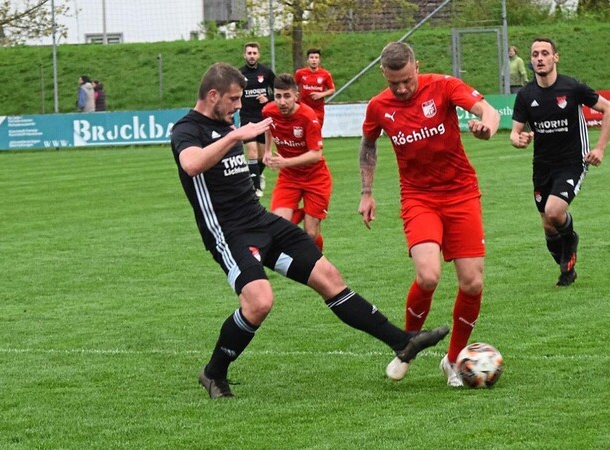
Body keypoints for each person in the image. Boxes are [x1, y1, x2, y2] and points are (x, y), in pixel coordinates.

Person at [170, 62, 448, 399]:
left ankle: (402, 342)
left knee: (329, 276)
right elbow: (191, 164)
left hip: (261, 220)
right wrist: (236, 135)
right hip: (228, 233)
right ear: (212, 96)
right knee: (259, 302)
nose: (238, 106)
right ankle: (214, 372)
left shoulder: (229, 120)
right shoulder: (187, 129)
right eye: (233, 99)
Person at [358, 42, 500, 387]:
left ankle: (453, 360)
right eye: (395, 83)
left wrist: (486, 128)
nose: (403, 88)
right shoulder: (379, 106)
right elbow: (369, 144)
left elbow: (489, 112)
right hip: (419, 197)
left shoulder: (444, 86)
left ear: (416, 66)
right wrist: (366, 192)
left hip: (461, 192)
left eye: (407, 80)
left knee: (473, 282)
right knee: (428, 276)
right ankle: (407, 344)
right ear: (384, 75)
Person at [510, 37, 610, 287]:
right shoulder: (526, 95)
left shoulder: (572, 88)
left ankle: (571, 241)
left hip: (572, 162)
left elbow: (609, 110)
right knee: (548, 226)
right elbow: (515, 133)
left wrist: (599, 148)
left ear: (555, 57)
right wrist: (519, 140)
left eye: (545, 53)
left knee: (554, 211)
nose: (539, 58)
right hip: (542, 166)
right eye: (535, 54)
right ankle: (567, 269)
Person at [262, 73, 331, 252]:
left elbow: (316, 154)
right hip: (289, 178)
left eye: (287, 96)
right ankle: (304, 213)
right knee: (278, 228)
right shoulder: (268, 111)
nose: (282, 101)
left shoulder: (308, 117)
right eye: (278, 96)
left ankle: (318, 256)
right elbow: (269, 127)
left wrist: (285, 162)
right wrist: (268, 150)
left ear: (296, 96)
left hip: (315, 178)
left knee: (310, 234)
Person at [238, 42, 276, 198]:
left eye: (254, 53)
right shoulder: (239, 74)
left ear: (258, 55)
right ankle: (255, 188)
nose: (252, 56)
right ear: (244, 55)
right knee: (252, 152)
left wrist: (267, 98)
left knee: (261, 156)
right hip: (247, 118)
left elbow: (279, 92)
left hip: (263, 118)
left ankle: (257, 175)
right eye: (249, 53)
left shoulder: (266, 72)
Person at [294, 48, 335, 127]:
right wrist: (295, 96)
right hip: (303, 108)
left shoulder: (325, 74)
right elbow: (292, 86)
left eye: (316, 58)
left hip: (318, 110)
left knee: (316, 131)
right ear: (307, 60)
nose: (314, 60)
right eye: (311, 58)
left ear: (319, 60)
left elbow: (332, 90)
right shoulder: (300, 73)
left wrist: (321, 94)